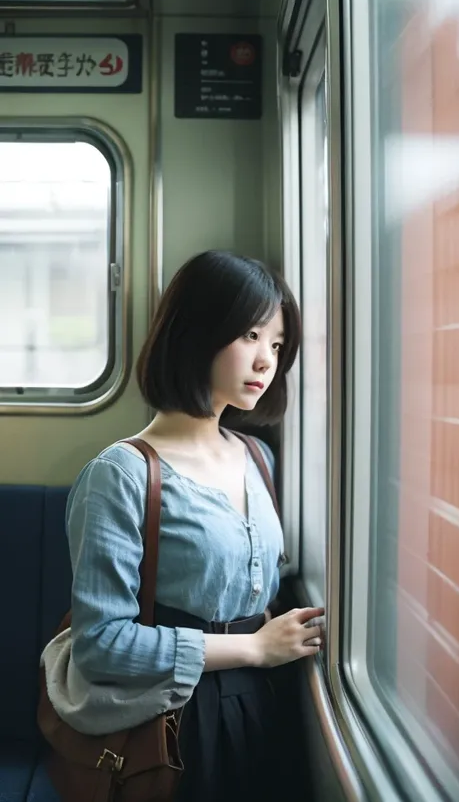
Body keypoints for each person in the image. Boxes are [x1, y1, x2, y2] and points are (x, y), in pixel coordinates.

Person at [66, 250, 324, 802]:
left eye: (277, 345)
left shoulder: (258, 457)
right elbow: (99, 645)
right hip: (179, 718)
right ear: (197, 333)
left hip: (267, 701)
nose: (266, 361)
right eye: (251, 336)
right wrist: (253, 649)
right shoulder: (121, 474)